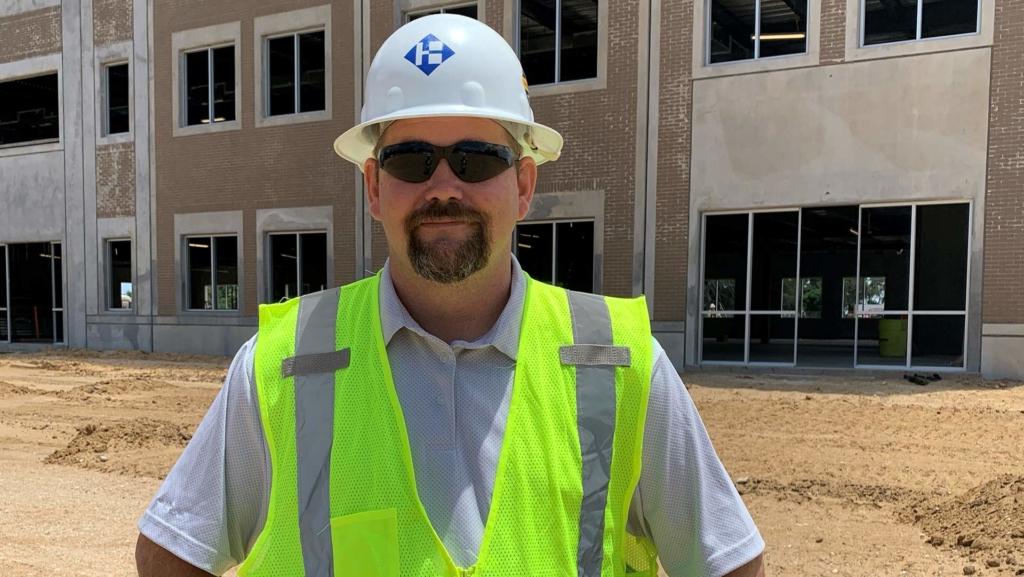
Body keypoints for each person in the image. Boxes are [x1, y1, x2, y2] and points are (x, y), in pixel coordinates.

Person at [135, 14, 766, 577]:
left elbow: (726, 564)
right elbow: (171, 551)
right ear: (374, 187)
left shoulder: (620, 362)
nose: (443, 186)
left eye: (475, 158)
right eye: (410, 160)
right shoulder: (287, 365)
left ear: (522, 184)